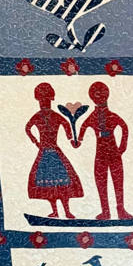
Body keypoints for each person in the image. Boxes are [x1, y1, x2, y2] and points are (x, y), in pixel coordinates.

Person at [76, 82, 133, 222]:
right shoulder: (93, 116)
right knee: (101, 181)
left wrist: (123, 146)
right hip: (100, 151)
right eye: (95, 95)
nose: (98, 97)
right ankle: (105, 211)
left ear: (107, 95)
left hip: (113, 150)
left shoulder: (111, 115)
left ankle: (120, 209)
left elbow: (124, 127)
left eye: (101, 94)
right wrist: (79, 140)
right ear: (92, 97)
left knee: (117, 180)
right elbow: (83, 127)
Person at [25, 83, 83, 220]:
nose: (43, 102)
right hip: (45, 152)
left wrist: (70, 139)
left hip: (53, 151)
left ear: (50, 100)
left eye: (45, 100)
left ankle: (67, 212)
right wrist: (35, 141)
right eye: (42, 100)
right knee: (48, 185)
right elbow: (28, 128)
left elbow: (66, 125)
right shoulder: (39, 116)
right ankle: (55, 212)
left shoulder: (53, 116)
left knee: (63, 183)